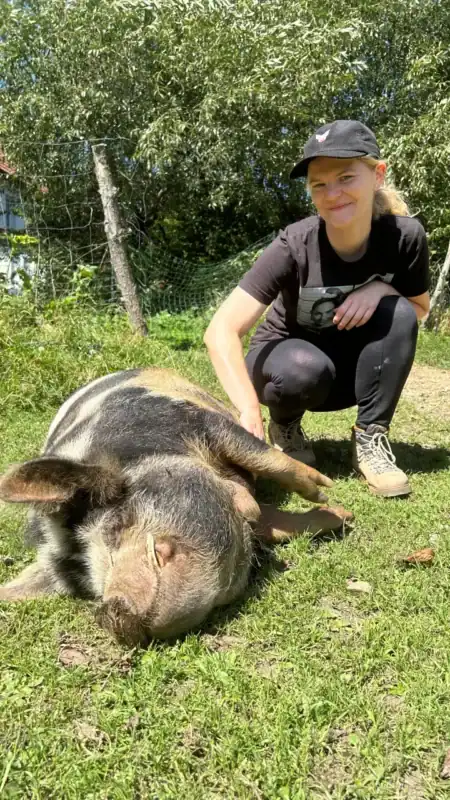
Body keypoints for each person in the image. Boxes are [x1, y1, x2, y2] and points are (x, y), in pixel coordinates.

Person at [204, 120, 430, 498]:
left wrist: (380, 289)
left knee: (400, 312)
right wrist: (248, 409)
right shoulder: (295, 244)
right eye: (319, 184)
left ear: (377, 175)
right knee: (303, 367)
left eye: (345, 177)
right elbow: (220, 330)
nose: (333, 194)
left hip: (351, 373)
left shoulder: (405, 237)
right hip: (288, 368)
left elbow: (418, 309)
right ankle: (285, 425)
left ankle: (370, 439)